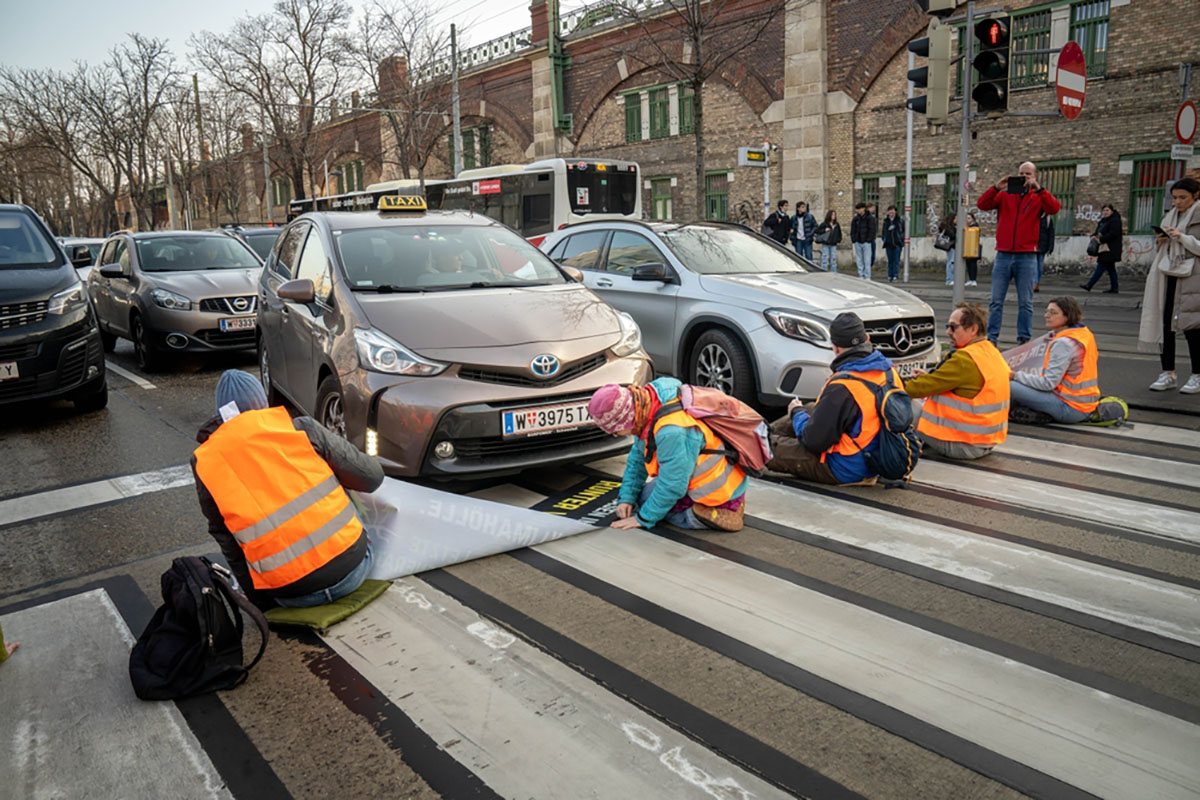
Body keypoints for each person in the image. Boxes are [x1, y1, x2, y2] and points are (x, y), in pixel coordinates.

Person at [191, 370, 385, 609]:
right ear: (262, 402)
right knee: (333, 474)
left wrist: (260, 603)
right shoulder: (299, 429)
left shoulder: (205, 463)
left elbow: (226, 539)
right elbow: (371, 478)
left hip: (289, 594)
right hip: (353, 569)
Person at [588, 378, 748, 531]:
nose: (617, 435)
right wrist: (627, 498)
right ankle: (724, 505)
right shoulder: (648, 404)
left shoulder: (672, 432)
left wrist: (642, 519)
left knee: (649, 505)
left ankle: (702, 515)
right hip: (708, 476)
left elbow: (673, 485)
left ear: (626, 419)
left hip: (716, 489)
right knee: (642, 498)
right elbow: (637, 459)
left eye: (616, 431)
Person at [766, 313, 898, 485]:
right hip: (877, 456)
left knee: (762, 447)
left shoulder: (843, 385)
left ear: (835, 347)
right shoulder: (889, 372)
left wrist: (796, 413)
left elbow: (813, 441)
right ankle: (762, 431)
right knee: (812, 408)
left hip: (845, 467)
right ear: (867, 338)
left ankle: (755, 440)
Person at [904, 303, 1010, 459]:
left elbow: (914, 389)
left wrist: (885, 384)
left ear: (973, 329)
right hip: (985, 442)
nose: (948, 332)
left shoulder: (964, 360)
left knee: (899, 400)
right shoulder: (989, 351)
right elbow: (954, 384)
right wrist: (928, 377)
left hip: (962, 445)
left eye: (953, 327)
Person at [977, 162, 1061, 346]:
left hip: (1027, 256)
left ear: (1035, 176)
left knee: (1026, 302)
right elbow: (981, 205)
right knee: (996, 301)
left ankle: (1024, 338)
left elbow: (1054, 208)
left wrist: (1039, 189)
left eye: (1028, 174)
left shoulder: (1038, 197)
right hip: (1003, 254)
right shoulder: (1005, 195)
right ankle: (991, 338)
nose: (1024, 177)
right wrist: (996, 187)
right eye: (1021, 173)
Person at [1140, 177, 1200, 394]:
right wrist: (1162, 240)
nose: (1177, 202)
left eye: (1183, 197)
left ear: (1195, 196)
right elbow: (1166, 248)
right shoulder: (1171, 215)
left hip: (1193, 277)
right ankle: (1168, 373)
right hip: (1168, 274)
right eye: (1174, 197)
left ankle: (1197, 375)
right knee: (1165, 325)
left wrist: (1181, 237)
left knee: (1192, 326)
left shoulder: (1198, 214)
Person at [1009, 297, 1100, 424]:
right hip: (1086, 404)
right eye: (1047, 311)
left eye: (1053, 313)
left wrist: (1014, 375)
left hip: (1069, 407)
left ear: (1067, 316)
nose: (1047, 315)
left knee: (1008, 385)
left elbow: (1047, 384)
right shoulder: (1084, 334)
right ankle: (1034, 411)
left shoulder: (1063, 343)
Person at [1081, 204, 1122, 294]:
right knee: (1111, 269)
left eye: (1107, 210)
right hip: (1103, 248)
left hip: (1110, 248)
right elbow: (1097, 232)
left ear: (1111, 211)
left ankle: (1089, 285)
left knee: (1101, 266)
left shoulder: (1115, 221)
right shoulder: (1103, 221)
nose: (1105, 212)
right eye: (1103, 210)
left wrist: (1101, 240)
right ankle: (1114, 288)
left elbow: (1113, 233)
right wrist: (1093, 236)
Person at [850, 202, 876, 280]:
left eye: (859, 209)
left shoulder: (870, 218)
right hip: (858, 241)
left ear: (863, 209)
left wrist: (869, 239)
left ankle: (867, 275)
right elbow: (853, 229)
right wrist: (854, 239)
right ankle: (860, 274)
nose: (857, 211)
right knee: (859, 259)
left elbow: (872, 230)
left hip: (866, 242)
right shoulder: (856, 219)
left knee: (867, 259)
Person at [881, 205, 905, 283]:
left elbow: (903, 231)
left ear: (895, 211)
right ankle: (890, 275)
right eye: (890, 210)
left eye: (892, 210)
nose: (891, 212)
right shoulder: (886, 221)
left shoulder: (899, 221)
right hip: (888, 243)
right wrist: (884, 239)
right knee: (890, 261)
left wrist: (901, 241)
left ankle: (895, 275)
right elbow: (883, 232)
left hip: (897, 243)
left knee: (896, 261)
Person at [1034, 214, 1055, 293]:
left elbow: (1051, 234)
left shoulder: (1048, 219)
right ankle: (1035, 283)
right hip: (1033, 246)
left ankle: (1037, 282)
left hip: (1043, 246)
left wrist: (1050, 247)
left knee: (1039, 267)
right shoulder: (1032, 216)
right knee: (1034, 266)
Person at [963, 212, 981, 287]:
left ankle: (973, 279)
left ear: (973, 219)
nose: (967, 220)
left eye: (969, 218)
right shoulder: (967, 226)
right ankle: (970, 279)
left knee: (973, 264)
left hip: (973, 247)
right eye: (966, 218)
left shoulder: (975, 226)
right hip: (967, 247)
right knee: (968, 263)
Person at [939, 214, 957, 286]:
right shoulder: (949, 228)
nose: (957, 220)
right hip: (951, 246)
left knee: (952, 262)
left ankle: (951, 279)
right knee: (951, 262)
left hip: (953, 246)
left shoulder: (951, 227)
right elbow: (952, 235)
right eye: (955, 218)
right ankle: (949, 279)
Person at [867, 203, 879, 267]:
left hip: (872, 239)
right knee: (869, 256)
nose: (874, 209)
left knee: (872, 256)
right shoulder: (866, 217)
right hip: (868, 240)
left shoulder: (873, 217)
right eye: (873, 208)